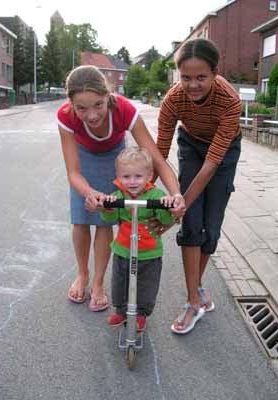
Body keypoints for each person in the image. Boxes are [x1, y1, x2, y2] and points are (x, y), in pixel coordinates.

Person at [56, 65, 185, 311]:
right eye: (81, 108)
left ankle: (97, 282)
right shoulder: (65, 116)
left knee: (105, 220)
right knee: (81, 219)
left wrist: (176, 194)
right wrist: (89, 193)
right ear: (71, 103)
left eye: (98, 105)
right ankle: (82, 274)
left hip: (113, 156)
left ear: (108, 96)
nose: (91, 115)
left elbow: (157, 159)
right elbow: (73, 172)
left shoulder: (124, 109)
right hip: (83, 158)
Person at [155, 38, 242, 334]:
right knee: (192, 226)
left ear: (215, 72)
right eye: (186, 77)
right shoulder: (173, 99)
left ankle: (197, 286)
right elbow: (159, 153)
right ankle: (193, 300)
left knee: (211, 228)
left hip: (223, 153)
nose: (192, 85)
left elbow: (211, 165)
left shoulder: (229, 101)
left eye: (201, 77)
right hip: (191, 143)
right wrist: (144, 194)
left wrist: (177, 209)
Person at [101, 147, 175, 331]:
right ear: (118, 176)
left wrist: (166, 208)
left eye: (138, 176)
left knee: (147, 285)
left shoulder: (156, 196)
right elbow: (109, 220)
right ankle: (121, 310)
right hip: (123, 250)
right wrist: (108, 207)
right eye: (126, 177)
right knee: (119, 282)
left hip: (149, 252)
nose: (132, 182)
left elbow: (165, 220)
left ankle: (141, 313)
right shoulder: (118, 196)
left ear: (149, 176)